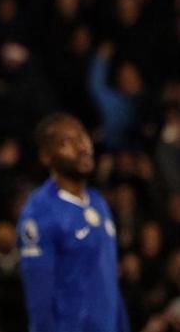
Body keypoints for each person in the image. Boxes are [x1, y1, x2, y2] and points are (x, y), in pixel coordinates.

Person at [17, 112, 130, 332]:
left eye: (82, 137)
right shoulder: (39, 214)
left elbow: (109, 283)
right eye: (66, 142)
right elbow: (40, 302)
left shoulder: (98, 202)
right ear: (46, 156)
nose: (81, 147)